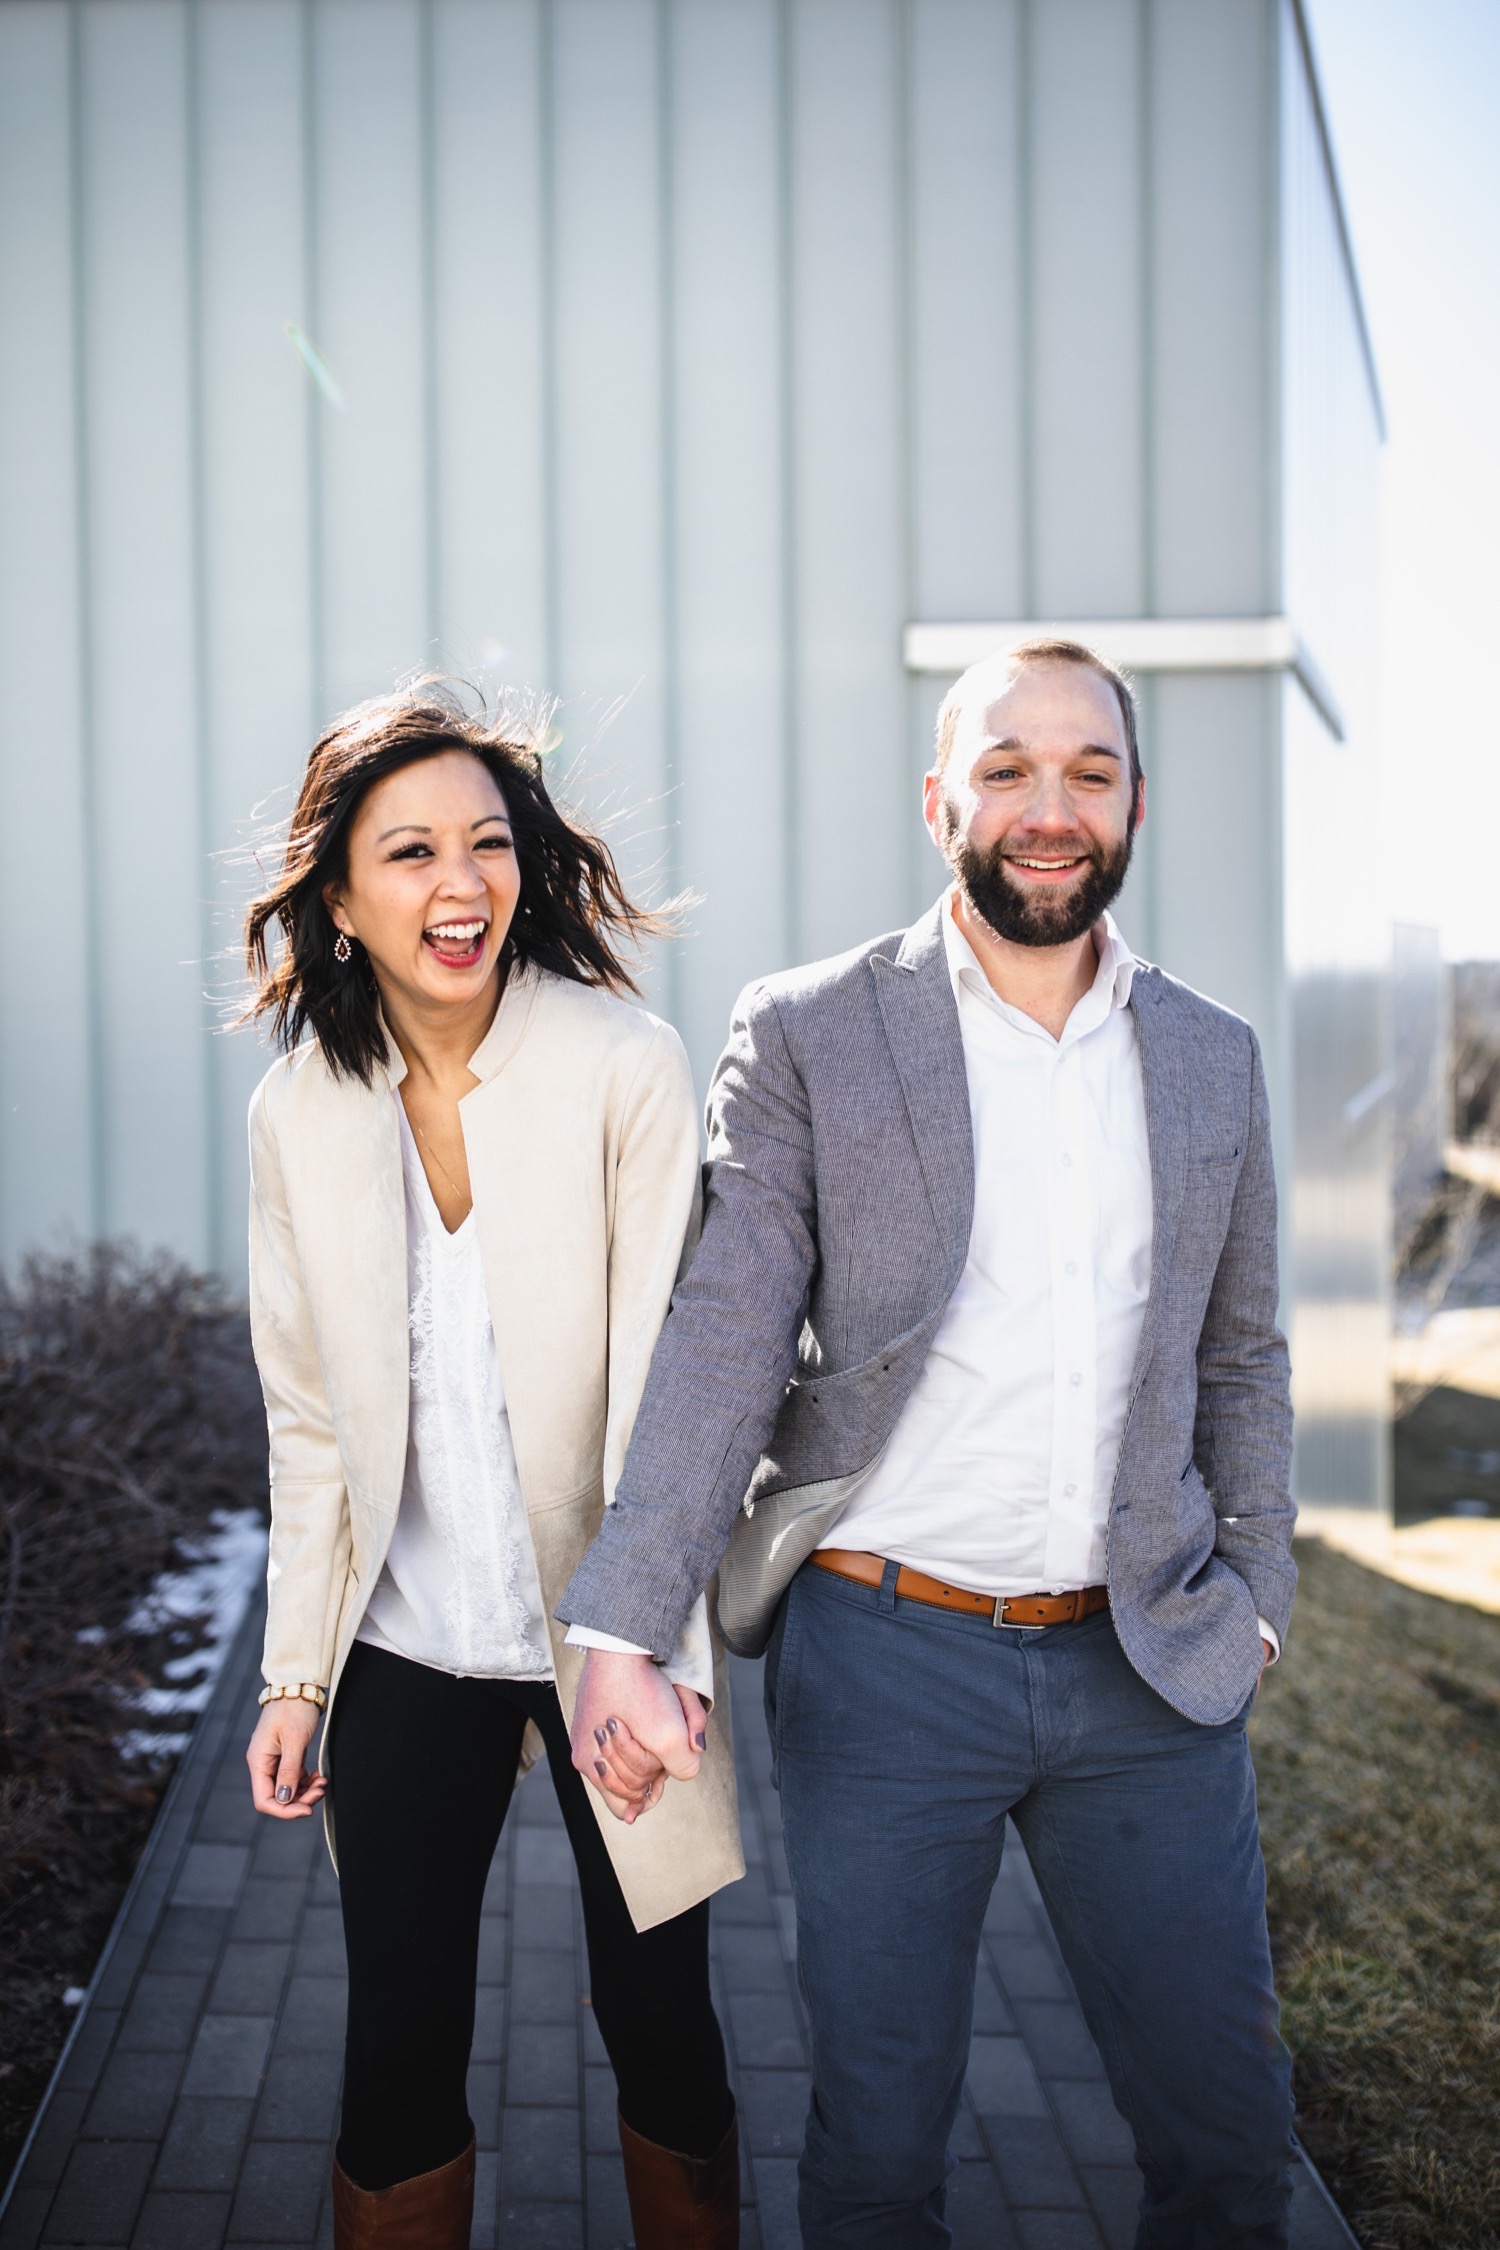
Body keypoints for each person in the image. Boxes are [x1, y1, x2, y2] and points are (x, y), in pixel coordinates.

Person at [562, 639, 1298, 2248]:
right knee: (881, 2145)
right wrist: (625, 1621)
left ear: (1137, 803)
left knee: (1232, 2141)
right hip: (885, 1663)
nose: (1051, 807)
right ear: (937, 797)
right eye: (1009, 768)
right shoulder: (815, 1028)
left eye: (1090, 772)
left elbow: (1242, 1353)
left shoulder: (1211, 1057)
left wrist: (1257, 1588)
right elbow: (727, 1337)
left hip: (1149, 1668)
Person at [240, 683, 744, 2250]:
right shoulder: (297, 1108)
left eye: (486, 842)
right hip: (408, 1645)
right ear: (340, 896)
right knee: (394, 2052)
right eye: (409, 854)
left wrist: (656, 1642)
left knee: (662, 2022)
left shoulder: (623, 1062)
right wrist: (295, 1673)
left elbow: (684, 1387)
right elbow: (310, 1416)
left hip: (614, 1628)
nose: (460, 885)